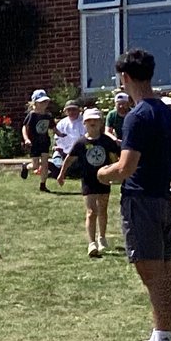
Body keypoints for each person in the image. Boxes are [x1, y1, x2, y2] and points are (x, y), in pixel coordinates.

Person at [98, 48, 171, 341]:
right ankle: (159, 339)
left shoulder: (136, 116)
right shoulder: (166, 112)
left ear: (126, 77)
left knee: (153, 276)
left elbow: (125, 167)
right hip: (162, 199)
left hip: (141, 202)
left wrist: (101, 173)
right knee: (164, 274)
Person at [57, 109, 121, 257]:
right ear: (84, 123)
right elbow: (69, 159)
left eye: (96, 120)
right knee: (92, 211)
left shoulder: (107, 141)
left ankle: (102, 237)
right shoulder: (81, 143)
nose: (93, 123)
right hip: (88, 180)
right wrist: (62, 174)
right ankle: (91, 243)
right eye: (89, 121)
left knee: (103, 209)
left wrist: (116, 174)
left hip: (104, 180)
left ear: (100, 122)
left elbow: (115, 159)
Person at [20, 89, 54, 192]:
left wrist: (60, 134)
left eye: (45, 101)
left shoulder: (48, 116)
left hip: (44, 141)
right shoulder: (32, 115)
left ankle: (43, 184)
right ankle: (26, 166)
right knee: (35, 166)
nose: (44, 104)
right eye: (41, 102)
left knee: (45, 163)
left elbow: (53, 127)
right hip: (34, 142)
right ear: (35, 103)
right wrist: (26, 139)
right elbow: (25, 127)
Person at [47, 100, 85, 180]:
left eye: (74, 109)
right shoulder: (62, 123)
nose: (71, 112)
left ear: (79, 110)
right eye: (69, 110)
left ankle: (64, 171)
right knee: (58, 159)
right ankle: (61, 169)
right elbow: (58, 139)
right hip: (63, 153)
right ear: (65, 111)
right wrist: (60, 148)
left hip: (79, 153)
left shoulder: (84, 122)